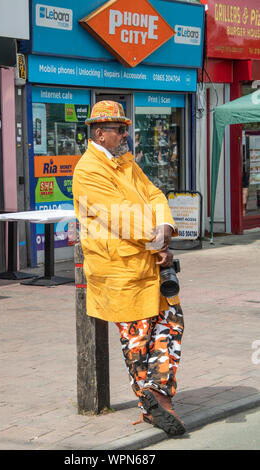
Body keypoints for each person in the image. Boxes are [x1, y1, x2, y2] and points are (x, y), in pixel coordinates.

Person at [72, 101, 186, 435]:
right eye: (119, 129)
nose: (126, 134)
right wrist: (159, 240)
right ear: (99, 133)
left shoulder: (125, 162)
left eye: (125, 128)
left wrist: (164, 226)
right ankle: (153, 401)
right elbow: (119, 217)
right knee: (137, 336)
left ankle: (155, 392)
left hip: (145, 261)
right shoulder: (88, 171)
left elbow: (155, 196)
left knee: (170, 322)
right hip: (118, 268)